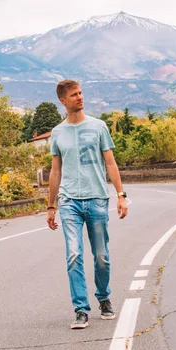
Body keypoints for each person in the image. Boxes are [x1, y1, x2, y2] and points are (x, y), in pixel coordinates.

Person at [47, 79, 128, 329]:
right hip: (69, 202)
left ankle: (103, 298)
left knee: (101, 256)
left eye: (81, 93)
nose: (80, 97)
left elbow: (111, 163)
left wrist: (121, 194)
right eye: (74, 95)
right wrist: (51, 206)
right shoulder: (57, 132)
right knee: (73, 255)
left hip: (96, 199)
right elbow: (55, 172)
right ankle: (81, 309)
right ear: (63, 100)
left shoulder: (98, 127)